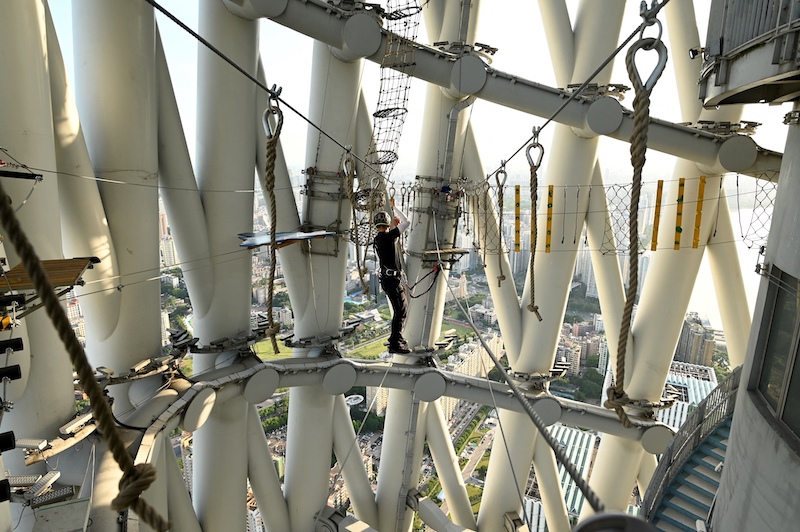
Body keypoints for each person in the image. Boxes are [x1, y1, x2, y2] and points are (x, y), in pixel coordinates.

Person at [374, 201, 411, 354]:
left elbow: (392, 244)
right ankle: (395, 343)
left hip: (389, 279)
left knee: (401, 310)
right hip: (391, 280)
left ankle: (396, 338)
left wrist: (394, 228)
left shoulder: (380, 239)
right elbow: (407, 222)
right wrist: (395, 208)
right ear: (388, 224)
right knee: (400, 311)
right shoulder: (388, 237)